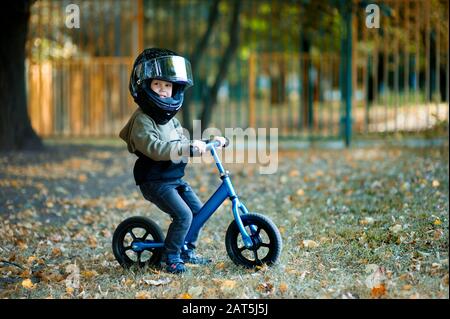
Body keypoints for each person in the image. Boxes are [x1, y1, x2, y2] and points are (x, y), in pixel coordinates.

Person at [119, 48, 227, 274]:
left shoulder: (171, 120)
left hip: (173, 178)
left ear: (175, 89)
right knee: (183, 215)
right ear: (145, 86)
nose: (163, 90)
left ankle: (187, 251)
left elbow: (183, 141)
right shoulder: (143, 120)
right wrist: (187, 148)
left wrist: (208, 142)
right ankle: (170, 257)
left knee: (198, 211)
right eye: (157, 84)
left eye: (167, 86)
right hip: (155, 180)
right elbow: (156, 149)